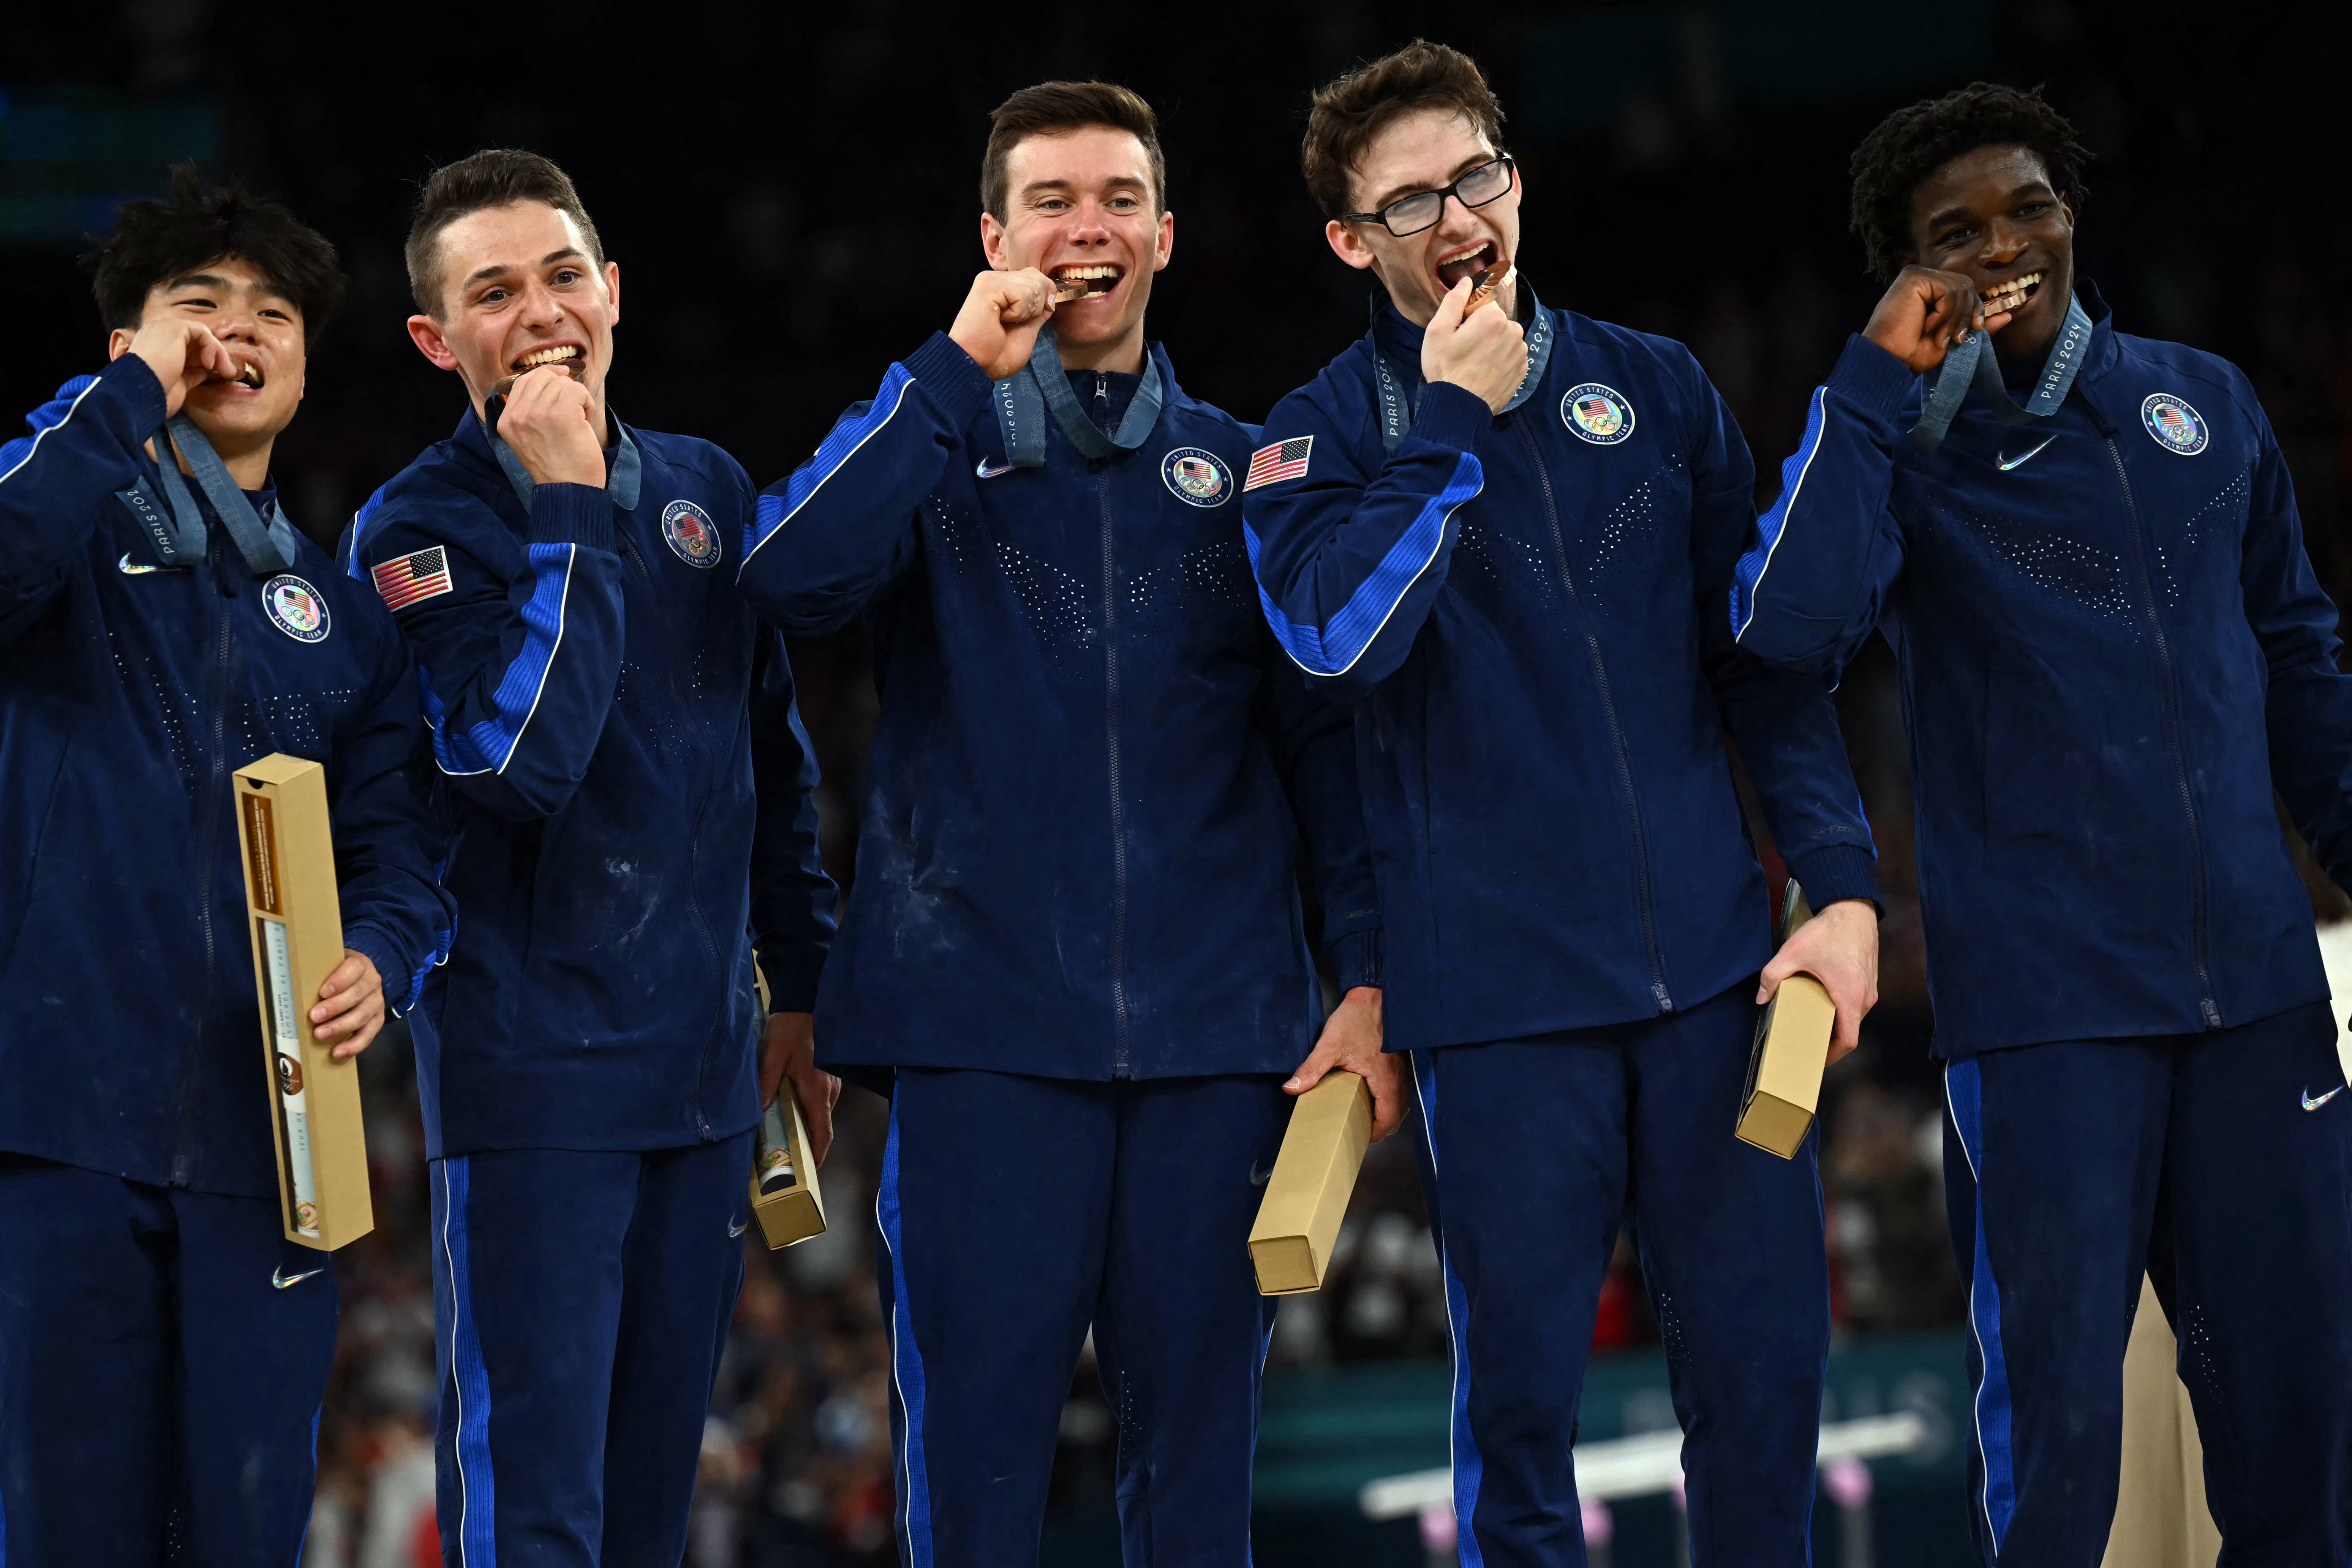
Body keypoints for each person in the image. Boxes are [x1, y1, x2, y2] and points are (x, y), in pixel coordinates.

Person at [1241, 42, 1884, 1566]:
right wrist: (1449, 433)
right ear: (1349, 240)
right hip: (1502, 1011)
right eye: (1407, 204)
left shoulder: (1653, 385)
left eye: (1474, 178)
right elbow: (1339, 644)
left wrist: (1844, 884)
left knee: (1766, 1388)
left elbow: (1763, 669)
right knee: (1521, 1423)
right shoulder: (1309, 443)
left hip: (1715, 984)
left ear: (1514, 179)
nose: (1455, 218)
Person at [736, 81, 1382, 1565]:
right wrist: (960, 370)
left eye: (1112, 200)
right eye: (1049, 201)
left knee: (1199, 1489)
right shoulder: (935, 449)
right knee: (970, 1490)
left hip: (1219, 1044)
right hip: (980, 1044)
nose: (1082, 229)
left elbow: (1324, 752)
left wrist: (1366, 977)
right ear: (993, 234)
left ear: (1163, 232)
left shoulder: (1252, 473)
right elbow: (785, 581)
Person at [1732, 81, 2352, 1562]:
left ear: (2074, 219)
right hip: (2048, 1025)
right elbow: (1782, 632)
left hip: (2257, 1003)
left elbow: (2301, 652)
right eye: (1956, 231)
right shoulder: (1904, 462)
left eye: (2029, 208)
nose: (2005, 243)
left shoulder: (2203, 403)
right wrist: (1876, 383)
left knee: (2298, 1453)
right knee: (2058, 1464)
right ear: (1908, 270)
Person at [344, 149, 837, 1567]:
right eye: (494, 293)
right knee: (538, 1512)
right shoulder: (414, 530)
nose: (543, 313)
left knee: (647, 1515)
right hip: (530, 1091)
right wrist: (566, 507)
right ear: (440, 341)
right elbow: (514, 765)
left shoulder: (705, 487)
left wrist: (799, 980)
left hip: (704, 1080)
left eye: (564, 276)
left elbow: (772, 760)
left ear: (613, 291)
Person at [0, 168, 452, 1565]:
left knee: (246, 1533)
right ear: (126, 346)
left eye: (269, 315)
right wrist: (128, 403)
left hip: (275, 1149)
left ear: (309, 366)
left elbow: (404, 850)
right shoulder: (62, 529)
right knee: (64, 1531)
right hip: (58, 1125)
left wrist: (382, 955)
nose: (233, 336)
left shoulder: (343, 624)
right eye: (195, 308)